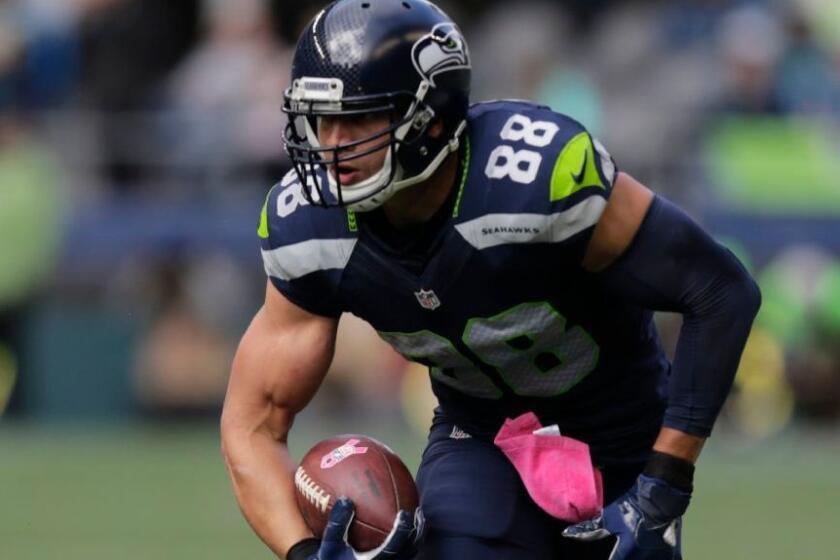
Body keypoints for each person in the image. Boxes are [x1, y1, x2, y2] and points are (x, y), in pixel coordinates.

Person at [220, 1, 761, 559]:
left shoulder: (531, 180)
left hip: (622, 433)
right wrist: (303, 553)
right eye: (319, 119)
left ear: (430, 117)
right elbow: (252, 425)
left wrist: (664, 487)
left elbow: (720, 291)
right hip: (480, 436)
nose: (332, 145)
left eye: (358, 118)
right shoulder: (308, 226)